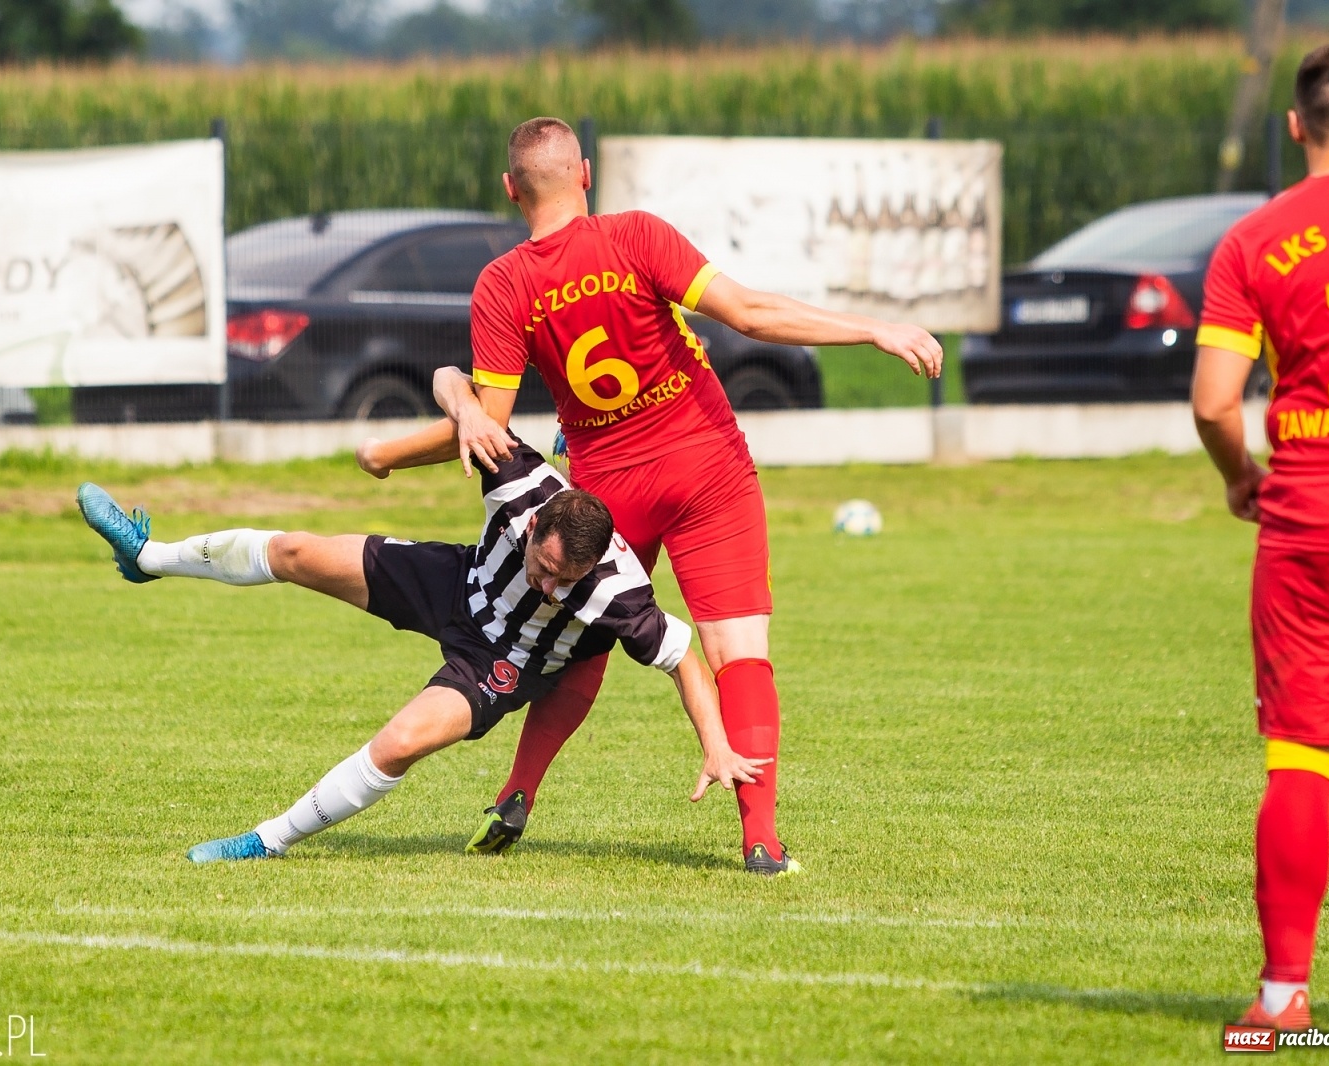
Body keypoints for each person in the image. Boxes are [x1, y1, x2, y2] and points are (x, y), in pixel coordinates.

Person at [358, 116, 942, 876]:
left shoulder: (504, 283)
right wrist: (873, 329)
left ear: (510, 190)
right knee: (738, 653)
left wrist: (387, 454)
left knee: (584, 640)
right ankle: (760, 840)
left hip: (608, 488)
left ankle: (517, 792)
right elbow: (750, 314)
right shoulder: (636, 236)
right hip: (707, 465)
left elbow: (488, 429)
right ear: (587, 174)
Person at [72, 433, 766, 864]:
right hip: (453, 581)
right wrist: (451, 415)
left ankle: (266, 840)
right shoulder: (521, 482)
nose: (552, 586)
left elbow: (682, 658)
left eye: (567, 580)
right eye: (544, 567)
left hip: (501, 662)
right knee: (293, 550)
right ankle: (148, 556)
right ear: (533, 527)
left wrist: (713, 744)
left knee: (401, 740)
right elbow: (448, 381)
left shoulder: (618, 594)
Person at [1192, 40, 1329, 1029]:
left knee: (1303, 761)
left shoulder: (1253, 241)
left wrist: (1240, 479)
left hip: (1309, 521)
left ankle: (1280, 1002)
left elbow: (1215, 399)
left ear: (1297, 126)